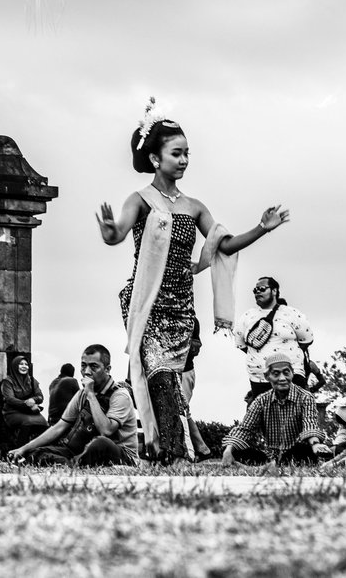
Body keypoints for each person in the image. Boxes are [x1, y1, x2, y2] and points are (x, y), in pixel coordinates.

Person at [96, 98, 289, 463]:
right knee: (158, 375)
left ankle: (167, 451)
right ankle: (175, 453)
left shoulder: (195, 206)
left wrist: (262, 228)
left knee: (171, 381)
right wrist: (109, 232)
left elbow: (224, 244)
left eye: (187, 153)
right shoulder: (140, 200)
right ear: (155, 159)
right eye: (176, 153)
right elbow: (117, 233)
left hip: (181, 308)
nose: (184, 160)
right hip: (147, 303)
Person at [8, 345, 138, 467]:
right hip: (82, 449)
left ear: (107, 369)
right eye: (83, 366)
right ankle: (73, 463)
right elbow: (59, 427)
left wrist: (91, 395)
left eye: (94, 367)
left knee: (100, 443)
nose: (87, 372)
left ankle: (73, 463)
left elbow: (106, 430)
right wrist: (23, 449)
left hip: (119, 453)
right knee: (35, 452)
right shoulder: (81, 394)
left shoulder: (120, 395)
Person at [221, 353, 330, 466]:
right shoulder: (261, 400)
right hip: (270, 455)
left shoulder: (305, 397)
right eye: (276, 374)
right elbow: (245, 428)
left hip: (294, 452)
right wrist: (228, 450)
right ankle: (271, 464)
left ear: (292, 373)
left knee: (304, 451)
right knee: (235, 449)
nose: (282, 378)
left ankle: (275, 465)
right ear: (267, 377)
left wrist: (315, 444)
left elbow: (310, 424)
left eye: (286, 373)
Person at [234, 277, 313, 399]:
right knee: (264, 411)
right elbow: (241, 344)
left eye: (262, 289)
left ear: (274, 291)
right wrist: (261, 356)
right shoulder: (247, 316)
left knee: (294, 409)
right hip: (260, 379)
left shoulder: (292, 313)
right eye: (255, 290)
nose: (257, 292)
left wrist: (282, 357)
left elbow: (306, 340)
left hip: (291, 376)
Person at [181, 318, 211, 460]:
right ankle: (201, 448)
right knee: (183, 412)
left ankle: (190, 452)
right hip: (183, 371)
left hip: (183, 372)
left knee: (181, 412)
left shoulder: (188, 318)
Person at [1, 355, 48, 442]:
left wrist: (33, 400)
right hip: (12, 412)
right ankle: (20, 448)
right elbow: (10, 399)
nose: (24, 366)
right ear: (15, 366)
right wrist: (27, 404)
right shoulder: (8, 381)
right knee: (28, 422)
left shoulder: (32, 380)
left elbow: (40, 396)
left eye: (26, 364)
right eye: (21, 364)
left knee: (44, 423)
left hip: (30, 411)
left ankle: (40, 448)